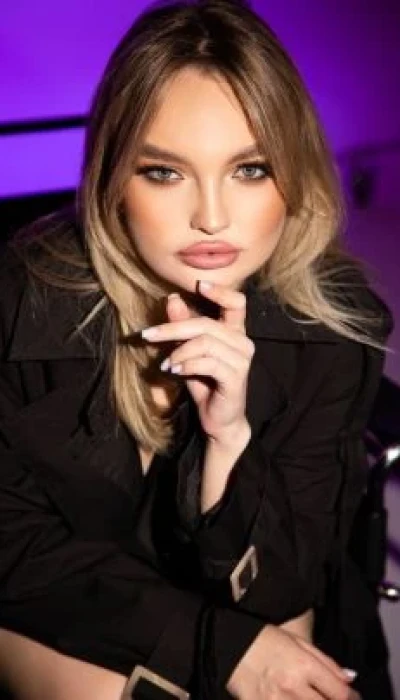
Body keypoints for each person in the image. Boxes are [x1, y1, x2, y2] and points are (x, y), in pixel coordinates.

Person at [0, 0, 394, 698]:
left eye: (251, 169)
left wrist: (229, 442)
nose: (211, 217)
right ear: (113, 178)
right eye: (164, 172)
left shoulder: (333, 327)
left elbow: (286, 586)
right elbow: (16, 548)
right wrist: (219, 648)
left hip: (252, 595)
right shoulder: (21, 300)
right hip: (64, 604)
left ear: (294, 171)